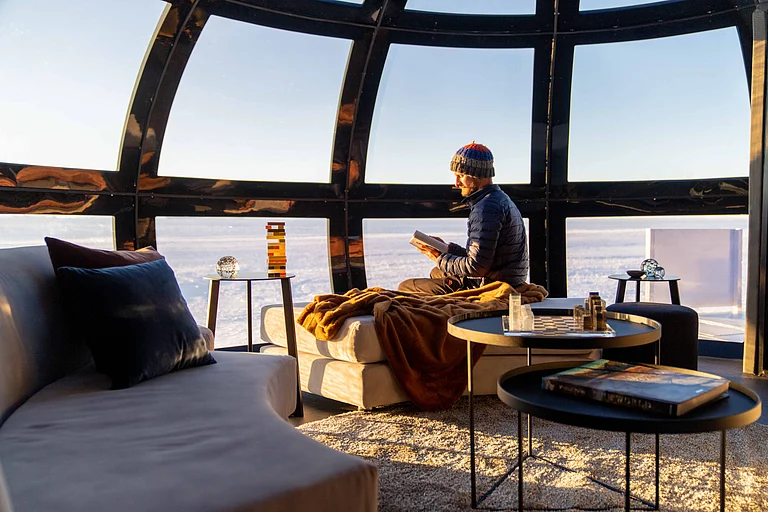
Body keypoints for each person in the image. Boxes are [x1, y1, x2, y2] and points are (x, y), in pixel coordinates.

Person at [397, 142, 529, 295]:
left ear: (477, 174)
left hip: (490, 284)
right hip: (505, 276)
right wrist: (447, 248)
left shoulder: (486, 208)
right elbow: (483, 255)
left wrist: (439, 257)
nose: (457, 183)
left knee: (406, 286)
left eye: (460, 176)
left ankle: (455, 293)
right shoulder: (499, 198)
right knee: (436, 272)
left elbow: (476, 267)